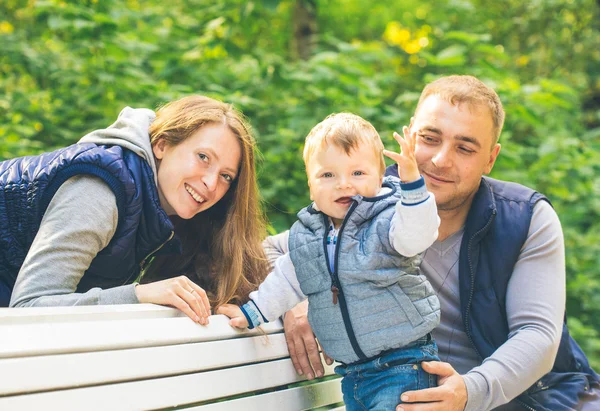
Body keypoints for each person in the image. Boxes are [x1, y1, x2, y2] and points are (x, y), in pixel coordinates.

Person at [263, 76, 600, 410]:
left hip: (536, 398)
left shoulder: (525, 218)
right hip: (405, 395)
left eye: (465, 148)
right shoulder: (364, 199)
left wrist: (470, 391)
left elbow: (537, 334)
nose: (440, 160)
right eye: (429, 138)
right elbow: (271, 250)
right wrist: (298, 303)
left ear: (490, 159)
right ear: (410, 133)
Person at [219, 112, 441, 410]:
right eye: (328, 175)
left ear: (380, 177)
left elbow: (417, 235)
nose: (343, 184)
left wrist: (414, 188)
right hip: (353, 374)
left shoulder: (389, 222)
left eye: (358, 173)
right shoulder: (309, 237)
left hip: (403, 365)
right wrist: (253, 312)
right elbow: (286, 279)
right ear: (311, 186)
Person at [0, 95, 269, 324]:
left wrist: (280, 307)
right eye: (203, 157)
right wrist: (139, 294)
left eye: (226, 176)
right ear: (162, 145)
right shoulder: (100, 192)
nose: (211, 183)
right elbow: (28, 309)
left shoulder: (166, 216)